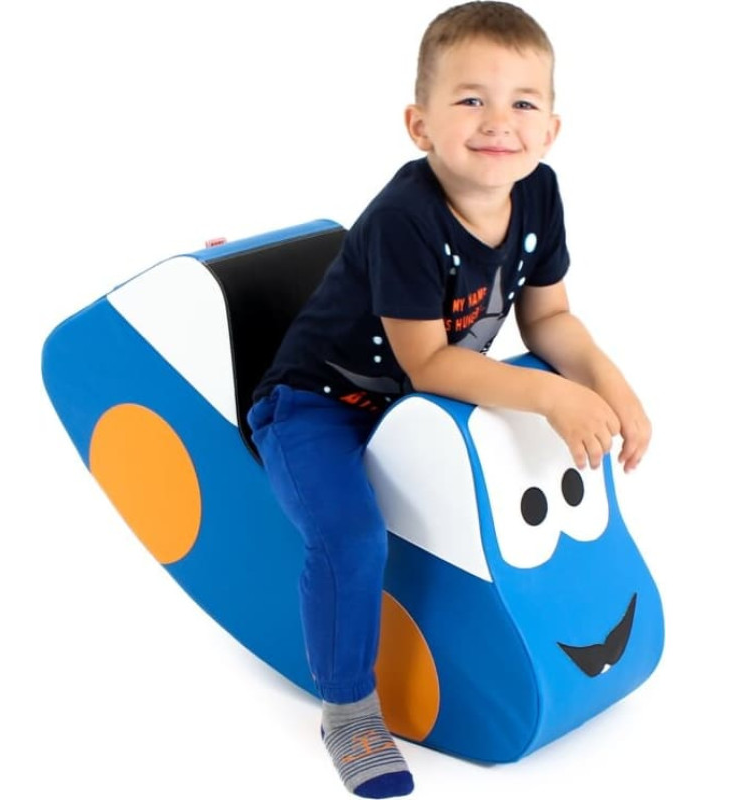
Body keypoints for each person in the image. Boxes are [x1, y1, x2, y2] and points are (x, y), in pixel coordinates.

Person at [247, 2, 651, 796]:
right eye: (471, 99)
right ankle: (348, 711)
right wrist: (547, 395)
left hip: (418, 414)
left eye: (523, 103)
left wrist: (611, 385)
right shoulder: (406, 219)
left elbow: (550, 319)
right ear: (419, 124)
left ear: (551, 130)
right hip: (316, 407)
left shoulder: (538, 194)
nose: (499, 121)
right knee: (353, 535)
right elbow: (429, 362)